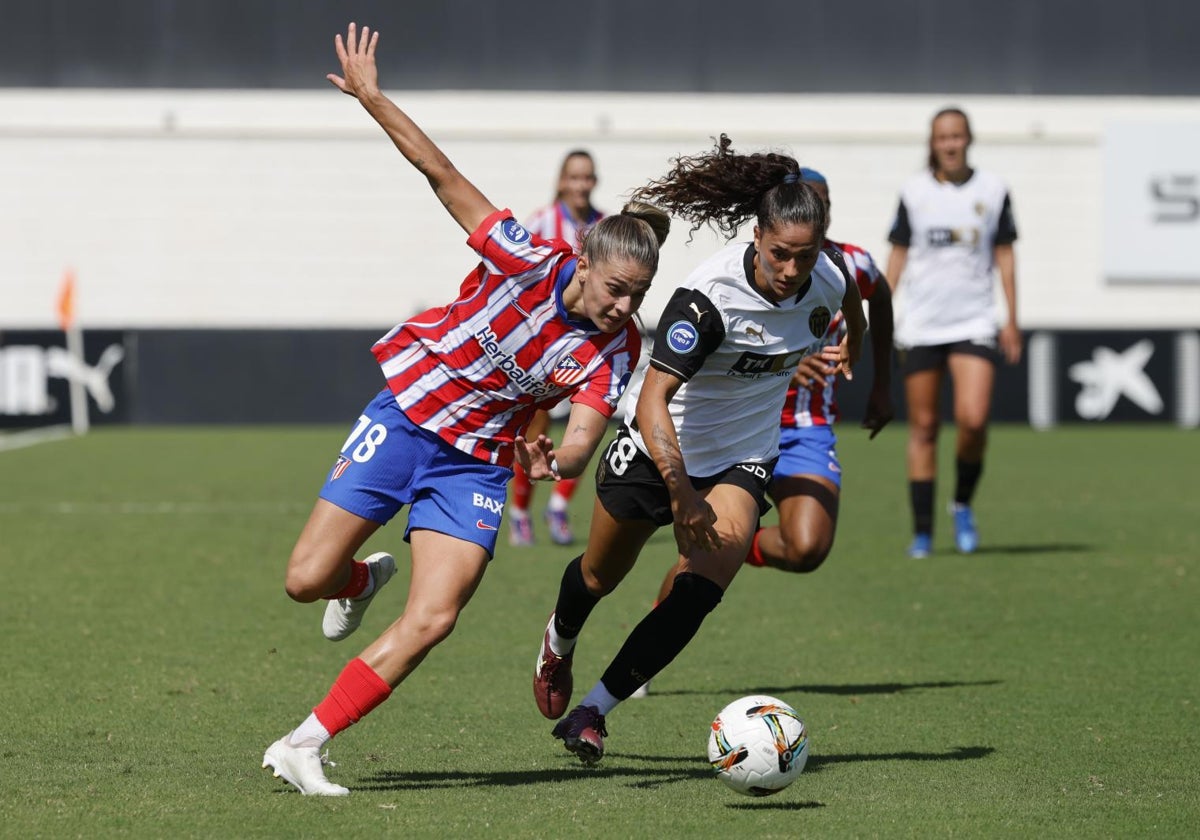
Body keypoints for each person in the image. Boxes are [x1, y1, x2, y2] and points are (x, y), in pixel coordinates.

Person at [261, 23, 670, 796]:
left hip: (476, 460)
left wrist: (561, 462)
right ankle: (354, 582)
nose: (624, 307)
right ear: (581, 262)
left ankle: (305, 742)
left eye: (638, 296)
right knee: (304, 579)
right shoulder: (522, 254)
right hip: (409, 413)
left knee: (436, 616)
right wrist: (374, 98)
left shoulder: (617, 351)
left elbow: (584, 431)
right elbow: (439, 171)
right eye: (616, 289)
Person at [530, 135, 866, 765]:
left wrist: (859, 349)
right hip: (658, 446)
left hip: (742, 457)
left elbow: (855, 298)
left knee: (701, 589)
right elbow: (654, 398)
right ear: (756, 235)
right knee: (600, 575)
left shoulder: (828, 274)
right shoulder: (708, 297)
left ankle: (593, 711)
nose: (791, 271)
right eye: (779, 255)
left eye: (805, 255)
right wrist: (680, 491)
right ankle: (560, 636)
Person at [632, 168, 894, 695]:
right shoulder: (745, 270)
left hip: (804, 427)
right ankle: (647, 647)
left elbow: (878, 301)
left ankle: (740, 541)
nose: (794, 258)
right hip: (733, 428)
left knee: (808, 549)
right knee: (694, 562)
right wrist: (780, 360)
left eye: (816, 211)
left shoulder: (847, 265)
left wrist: (879, 381)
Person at [885, 107, 1020, 559]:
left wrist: (1012, 319)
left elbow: (1005, 254)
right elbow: (899, 256)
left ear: (968, 140)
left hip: (975, 321)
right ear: (933, 141)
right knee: (923, 426)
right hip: (922, 324)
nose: (950, 143)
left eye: (957, 135)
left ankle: (961, 503)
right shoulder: (913, 191)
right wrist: (880, 313)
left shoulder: (994, 190)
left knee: (973, 420)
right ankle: (922, 531)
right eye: (943, 136)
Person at [508, 150, 606, 547]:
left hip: (584, 348)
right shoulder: (541, 221)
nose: (581, 185)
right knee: (534, 431)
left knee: (583, 432)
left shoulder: (604, 226)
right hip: (540, 347)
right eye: (574, 177)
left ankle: (559, 508)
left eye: (587, 178)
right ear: (563, 181)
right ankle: (519, 513)